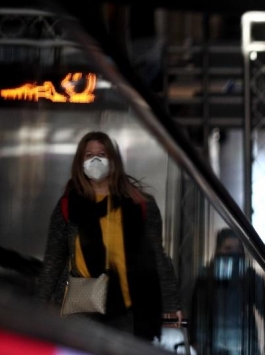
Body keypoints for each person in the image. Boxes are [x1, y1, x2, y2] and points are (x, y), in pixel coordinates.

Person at [36, 131, 181, 341]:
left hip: (129, 306)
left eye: (102, 153)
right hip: (82, 305)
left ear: (113, 160)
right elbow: (54, 260)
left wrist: (171, 304)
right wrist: (39, 306)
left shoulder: (139, 204)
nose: (95, 160)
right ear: (80, 162)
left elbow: (157, 256)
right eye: (89, 155)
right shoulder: (70, 205)